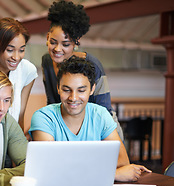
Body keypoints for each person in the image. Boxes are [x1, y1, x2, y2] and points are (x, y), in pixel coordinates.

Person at [29, 56, 150, 182]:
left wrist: (76, 169)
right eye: (66, 90)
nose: (73, 98)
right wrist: (113, 174)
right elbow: (51, 168)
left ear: (92, 89)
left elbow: (122, 161)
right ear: (58, 88)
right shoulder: (44, 118)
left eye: (81, 90)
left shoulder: (101, 114)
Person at [42, 0, 123, 139]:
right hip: (70, 126)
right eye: (53, 42)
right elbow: (53, 103)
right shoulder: (47, 62)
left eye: (65, 44)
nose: (57, 49)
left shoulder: (92, 65)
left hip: (102, 129)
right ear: (47, 37)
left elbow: (104, 111)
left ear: (76, 42)